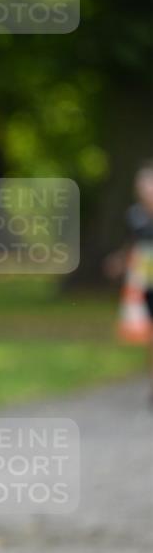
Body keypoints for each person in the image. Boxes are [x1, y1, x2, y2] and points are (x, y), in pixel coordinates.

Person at [105, 161, 153, 403]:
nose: (146, 190)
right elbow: (131, 244)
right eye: (143, 185)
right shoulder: (135, 215)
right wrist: (119, 261)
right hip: (144, 281)